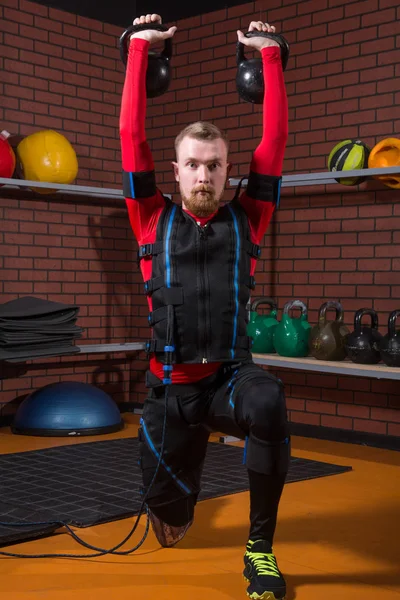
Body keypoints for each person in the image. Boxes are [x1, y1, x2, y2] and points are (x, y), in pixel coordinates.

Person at [119, 12, 289, 600]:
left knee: (268, 399)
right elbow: (130, 138)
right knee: (171, 529)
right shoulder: (151, 215)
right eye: (193, 163)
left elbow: (274, 142)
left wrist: (268, 55)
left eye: (214, 164)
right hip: (169, 392)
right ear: (176, 170)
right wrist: (140, 51)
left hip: (226, 381)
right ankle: (182, 478)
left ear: (226, 169)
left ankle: (260, 551)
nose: (204, 174)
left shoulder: (249, 216)